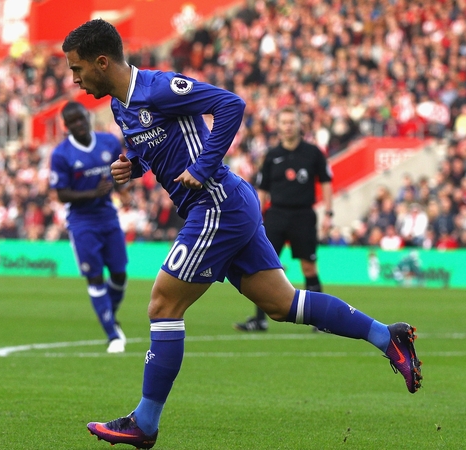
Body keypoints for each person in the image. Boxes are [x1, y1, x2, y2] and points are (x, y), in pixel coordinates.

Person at [62, 19, 422, 449]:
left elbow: (231, 104)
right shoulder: (121, 107)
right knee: (283, 304)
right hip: (226, 205)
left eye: (77, 68)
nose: (75, 78)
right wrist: (132, 165)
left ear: (102, 62)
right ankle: (387, 336)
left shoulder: (158, 88)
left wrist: (202, 167)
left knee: (163, 304)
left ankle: (144, 423)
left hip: (216, 204)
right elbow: (152, 146)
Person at [233, 106, 333, 332]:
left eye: (291, 122)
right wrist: (255, 217)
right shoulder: (272, 155)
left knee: (309, 267)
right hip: (276, 215)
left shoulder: (313, 153)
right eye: (284, 122)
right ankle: (259, 320)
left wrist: (329, 213)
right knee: (262, 268)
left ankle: (321, 321)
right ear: (278, 127)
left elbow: (326, 182)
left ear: (299, 125)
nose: (288, 126)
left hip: (303, 215)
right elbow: (262, 189)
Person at [49, 101, 129, 354]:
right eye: (72, 122)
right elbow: (61, 194)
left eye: (81, 118)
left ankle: (108, 314)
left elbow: (120, 173)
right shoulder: (61, 154)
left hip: (108, 216)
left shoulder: (109, 143)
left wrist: (122, 187)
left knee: (119, 274)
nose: (79, 124)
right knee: (95, 277)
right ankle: (112, 335)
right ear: (66, 126)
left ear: (88, 117)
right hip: (82, 221)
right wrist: (92, 193)